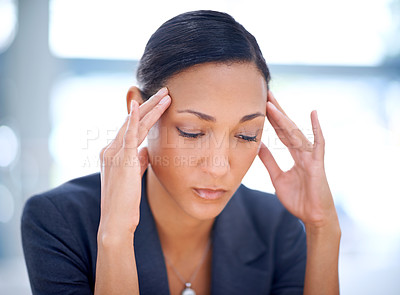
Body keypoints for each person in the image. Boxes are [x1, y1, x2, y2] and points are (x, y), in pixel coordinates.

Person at [21, 10, 341, 295]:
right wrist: (115, 237)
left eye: (246, 135)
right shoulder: (57, 221)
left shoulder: (276, 226)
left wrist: (323, 228)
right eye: (192, 131)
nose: (218, 167)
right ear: (138, 109)